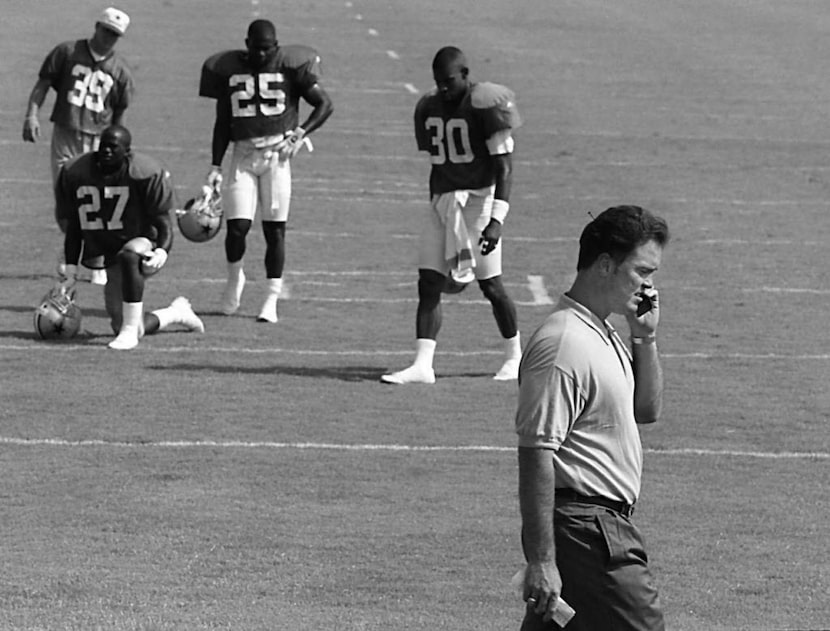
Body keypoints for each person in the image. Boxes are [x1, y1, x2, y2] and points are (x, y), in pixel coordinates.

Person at [515, 205, 670, 630]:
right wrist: (543, 560)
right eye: (642, 271)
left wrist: (645, 337)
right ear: (605, 264)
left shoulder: (602, 332)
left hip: (600, 528)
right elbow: (535, 452)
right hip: (588, 533)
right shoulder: (565, 344)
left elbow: (647, 410)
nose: (649, 287)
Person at [381, 46, 522, 385]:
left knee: (490, 285)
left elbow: (504, 167)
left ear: (465, 74)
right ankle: (422, 365)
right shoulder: (429, 106)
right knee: (428, 281)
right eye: (438, 82)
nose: (443, 89)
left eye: (449, 81)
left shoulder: (486, 104)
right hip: (443, 201)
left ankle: (515, 357)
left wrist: (496, 220)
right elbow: (438, 162)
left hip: (478, 201)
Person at [198, 18, 334, 323]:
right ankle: (235, 279)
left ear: (276, 46)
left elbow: (324, 104)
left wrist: (301, 132)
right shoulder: (229, 68)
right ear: (246, 44)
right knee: (237, 228)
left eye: (268, 49)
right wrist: (215, 165)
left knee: (275, 230)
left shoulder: (290, 65)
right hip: (243, 155)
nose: (262, 55)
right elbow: (222, 123)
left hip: (276, 156)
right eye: (257, 49)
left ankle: (271, 297)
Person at [55, 125, 205, 351]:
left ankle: (128, 335)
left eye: (113, 147)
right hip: (110, 249)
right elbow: (75, 225)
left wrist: (162, 250)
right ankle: (176, 313)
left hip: (144, 244)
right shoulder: (76, 172)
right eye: (103, 145)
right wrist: (71, 269)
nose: (106, 151)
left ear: (127, 152)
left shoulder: (144, 173)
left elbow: (162, 221)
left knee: (129, 254)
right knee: (125, 322)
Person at [23, 7, 135, 287]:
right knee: (66, 199)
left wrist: (119, 145)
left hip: (100, 140)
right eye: (107, 31)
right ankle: (73, 251)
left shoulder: (120, 72)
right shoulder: (67, 52)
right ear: (97, 26)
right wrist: (31, 114)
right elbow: (43, 84)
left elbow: (119, 114)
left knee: (98, 200)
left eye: (115, 35)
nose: (109, 38)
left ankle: (96, 259)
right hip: (66, 132)